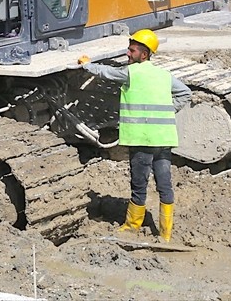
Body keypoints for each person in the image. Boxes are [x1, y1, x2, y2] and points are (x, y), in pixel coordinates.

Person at [78, 29, 190, 242]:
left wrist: (87, 65)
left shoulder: (132, 74)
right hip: (163, 139)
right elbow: (186, 93)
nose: (128, 55)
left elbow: (107, 73)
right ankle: (166, 233)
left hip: (142, 139)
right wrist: (168, 110)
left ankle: (132, 227)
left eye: (131, 51)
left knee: (139, 185)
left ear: (144, 54)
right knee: (164, 185)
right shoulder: (165, 75)